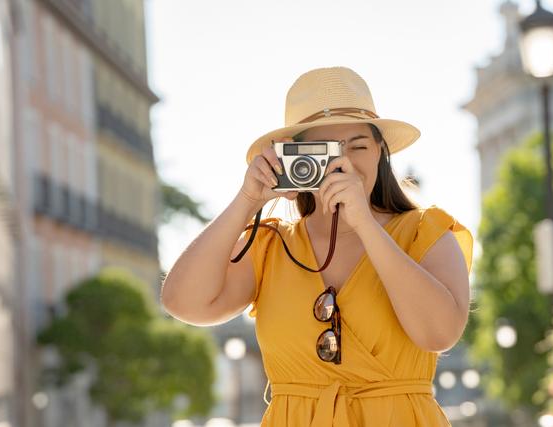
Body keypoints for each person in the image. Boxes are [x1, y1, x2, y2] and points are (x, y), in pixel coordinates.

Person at [161, 66, 474, 426]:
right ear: (295, 159)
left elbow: (440, 333)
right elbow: (182, 303)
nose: (343, 164)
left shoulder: (426, 232)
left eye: (358, 146)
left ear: (381, 153)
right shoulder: (270, 246)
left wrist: (366, 225)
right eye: (325, 152)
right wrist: (247, 200)